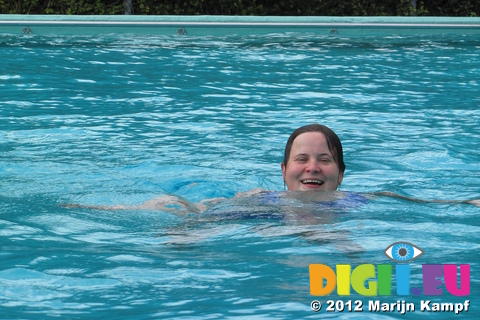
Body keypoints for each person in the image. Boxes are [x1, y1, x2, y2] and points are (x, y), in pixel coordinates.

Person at [63, 123, 479, 213]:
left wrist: (468, 200)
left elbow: (427, 202)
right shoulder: (264, 197)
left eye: (324, 159)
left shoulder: (360, 199)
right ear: (284, 170)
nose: (312, 168)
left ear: (341, 172)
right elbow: (214, 210)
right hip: (259, 222)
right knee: (178, 206)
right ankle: (101, 209)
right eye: (301, 159)